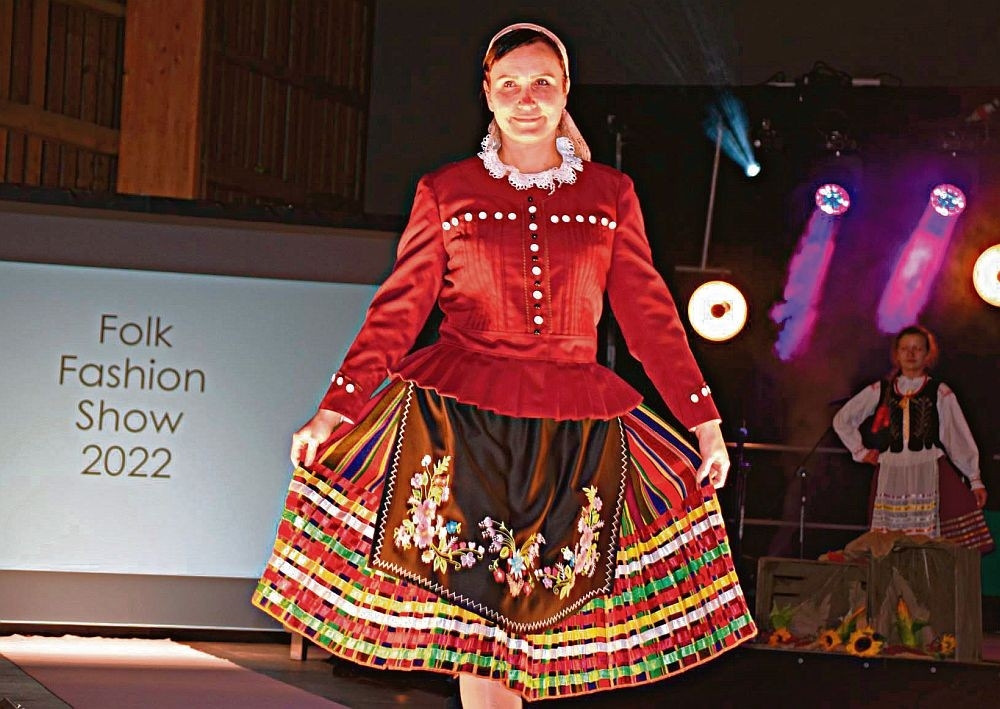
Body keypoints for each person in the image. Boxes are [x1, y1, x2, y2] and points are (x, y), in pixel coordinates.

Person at [253, 23, 755, 707]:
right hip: (461, 426)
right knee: (481, 628)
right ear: (487, 93)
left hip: (572, 431)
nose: (526, 99)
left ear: (565, 92)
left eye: (542, 83)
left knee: (542, 622)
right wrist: (336, 408)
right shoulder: (446, 190)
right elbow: (398, 311)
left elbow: (649, 317)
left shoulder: (610, 194)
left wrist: (704, 421)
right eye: (510, 84)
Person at [832, 325, 992, 552]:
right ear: (896, 355)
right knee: (889, 542)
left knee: (932, 540)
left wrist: (974, 478)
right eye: (905, 348)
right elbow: (842, 419)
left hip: (928, 468)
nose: (910, 353)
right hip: (891, 472)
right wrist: (861, 452)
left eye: (917, 349)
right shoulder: (881, 389)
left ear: (928, 355)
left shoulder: (939, 391)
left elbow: (956, 435)